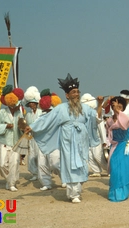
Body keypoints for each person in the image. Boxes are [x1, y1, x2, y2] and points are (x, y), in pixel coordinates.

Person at [24, 74, 101, 203]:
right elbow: (47, 119)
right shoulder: (61, 109)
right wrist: (32, 127)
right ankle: (73, 194)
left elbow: (96, 118)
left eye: (77, 92)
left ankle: (77, 189)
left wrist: (100, 103)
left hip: (81, 140)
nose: (76, 94)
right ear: (67, 95)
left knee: (82, 164)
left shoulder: (85, 108)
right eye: (73, 92)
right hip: (68, 140)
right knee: (70, 165)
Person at [0, 85, 24, 192]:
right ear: (10, 105)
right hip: (4, 142)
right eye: (14, 105)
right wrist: (5, 126)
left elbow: (22, 126)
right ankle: (9, 180)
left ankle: (11, 184)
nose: (16, 107)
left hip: (16, 142)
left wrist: (23, 128)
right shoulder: (2, 112)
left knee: (14, 164)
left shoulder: (20, 113)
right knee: (2, 165)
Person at [106, 96, 129, 202]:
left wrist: (118, 112)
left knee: (123, 168)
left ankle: (122, 192)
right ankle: (114, 192)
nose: (117, 107)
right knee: (114, 167)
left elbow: (123, 126)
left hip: (124, 146)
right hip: (115, 146)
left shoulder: (125, 118)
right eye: (115, 105)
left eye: (120, 106)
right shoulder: (109, 120)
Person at [36, 89, 65, 190]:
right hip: (42, 143)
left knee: (55, 163)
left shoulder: (57, 114)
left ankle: (64, 179)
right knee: (42, 163)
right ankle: (46, 183)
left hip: (55, 142)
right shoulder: (39, 115)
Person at [81, 93, 108, 177]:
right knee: (89, 156)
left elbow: (101, 128)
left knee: (97, 156)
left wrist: (104, 141)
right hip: (87, 139)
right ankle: (96, 171)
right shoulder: (82, 115)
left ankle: (109, 169)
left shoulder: (94, 113)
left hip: (96, 138)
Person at [23, 86, 42, 181]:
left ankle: (42, 173)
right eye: (30, 103)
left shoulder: (41, 112)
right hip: (31, 138)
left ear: (36, 103)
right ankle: (34, 173)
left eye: (33, 103)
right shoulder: (28, 114)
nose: (31, 105)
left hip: (40, 137)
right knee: (31, 156)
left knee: (40, 156)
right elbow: (26, 124)